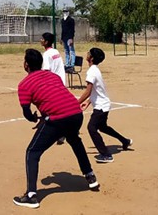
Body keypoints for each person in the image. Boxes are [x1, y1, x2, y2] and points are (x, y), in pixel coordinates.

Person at [13, 49, 99, 209]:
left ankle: (31, 195)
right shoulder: (53, 76)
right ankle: (90, 176)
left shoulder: (24, 84)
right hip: (76, 114)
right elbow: (55, 97)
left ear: (26, 65)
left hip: (58, 118)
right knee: (74, 140)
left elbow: (27, 113)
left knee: (32, 152)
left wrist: (34, 118)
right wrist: (44, 118)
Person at [77, 47, 132, 163]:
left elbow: (88, 91)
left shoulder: (92, 71)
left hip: (101, 106)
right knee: (102, 127)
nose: (87, 54)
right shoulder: (95, 69)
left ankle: (106, 155)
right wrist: (88, 102)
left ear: (91, 58)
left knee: (91, 128)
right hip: (103, 104)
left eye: (88, 53)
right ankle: (125, 141)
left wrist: (76, 103)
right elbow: (97, 90)